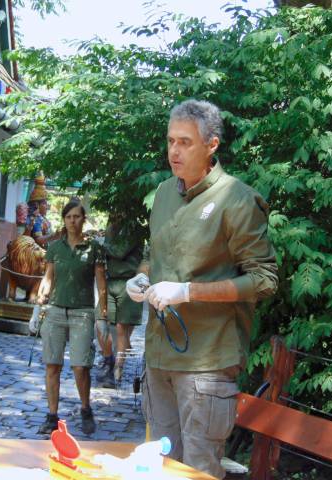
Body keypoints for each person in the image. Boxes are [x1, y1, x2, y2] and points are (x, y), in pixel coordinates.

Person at [126, 99, 278, 479]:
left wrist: (188, 292)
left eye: (185, 142)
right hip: (159, 358)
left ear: (211, 145)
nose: (173, 151)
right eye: (170, 141)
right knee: (158, 471)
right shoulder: (164, 193)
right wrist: (141, 279)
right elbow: (155, 256)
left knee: (198, 473)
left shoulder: (237, 200)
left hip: (206, 365)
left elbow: (264, 279)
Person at [36, 200, 107, 436]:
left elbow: (101, 283)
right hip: (55, 311)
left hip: (82, 313)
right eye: (68, 217)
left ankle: (86, 409)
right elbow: (48, 277)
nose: (72, 221)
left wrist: (102, 314)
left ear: (83, 219)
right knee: (52, 365)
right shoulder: (55, 248)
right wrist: (40, 299)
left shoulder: (93, 248)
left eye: (77, 216)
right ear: (64, 220)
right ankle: (52, 416)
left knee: (80, 366)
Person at [94, 214, 144, 389]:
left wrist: (99, 244)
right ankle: (108, 359)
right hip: (111, 281)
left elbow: (119, 251)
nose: (114, 213)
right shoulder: (111, 227)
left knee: (122, 328)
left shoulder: (133, 227)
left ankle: (118, 369)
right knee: (100, 321)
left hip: (129, 282)